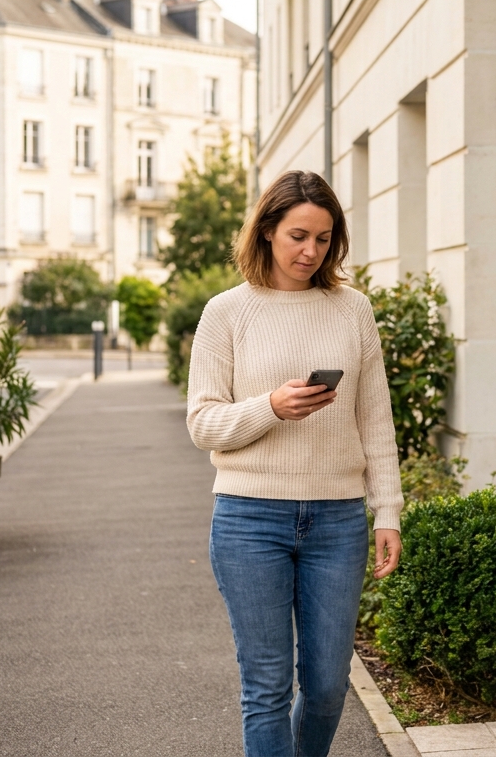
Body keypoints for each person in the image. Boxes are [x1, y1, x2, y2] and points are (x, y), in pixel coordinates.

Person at [186, 170, 403, 757]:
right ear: (266, 232)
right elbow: (203, 423)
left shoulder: (352, 310)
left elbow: (375, 421)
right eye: (298, 236)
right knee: (267, 688)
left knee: (330, 687)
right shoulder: (226, 313)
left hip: (336, 522)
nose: (311, 251)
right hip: (249, 519)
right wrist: (271, 407)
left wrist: (388, 513)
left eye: (325, 238)